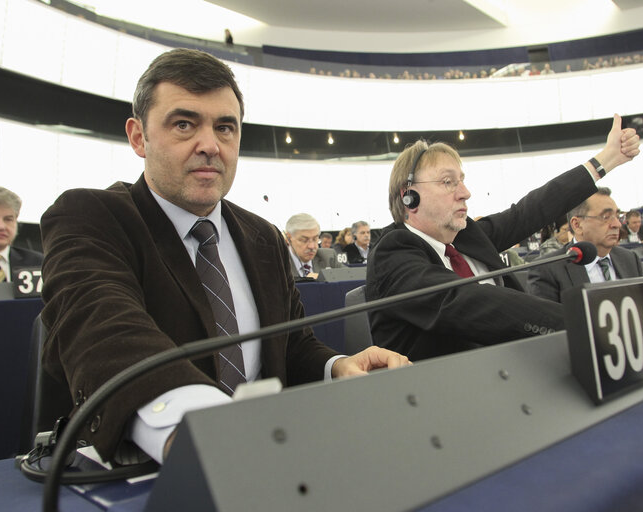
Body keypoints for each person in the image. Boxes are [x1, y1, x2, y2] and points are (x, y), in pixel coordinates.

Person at [39, 48, 409, 465]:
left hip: (274, 458)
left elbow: (289, 347)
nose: (210, 146)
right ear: (138, 137)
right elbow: (105, 328)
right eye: (184, 124)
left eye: (225, 128)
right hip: (151, 468)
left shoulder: (263, 237)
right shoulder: (90, 217)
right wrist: (200, 433)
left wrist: (337, 367)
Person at [366, 115, 643, 362]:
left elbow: (534, 209)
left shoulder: (468, 238)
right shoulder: (393, 252)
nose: (465, 192)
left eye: (462, 180)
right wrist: (596, 323)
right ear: (408, 195)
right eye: (448, 181)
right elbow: (467, 301)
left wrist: (607, 160)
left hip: (525, 371)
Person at [527, 188, 643, 302]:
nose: (617, 224)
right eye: (606, 217)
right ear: (577, 225)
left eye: (617, 217)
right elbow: (551, 320)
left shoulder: (630, 259)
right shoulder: (547, 270)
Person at [285, 213, 341, 279]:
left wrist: (323, 278)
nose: (311, 246)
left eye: (315, 239)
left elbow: (352, 277)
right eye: (304, 240)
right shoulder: (278, 263)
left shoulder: (328, 256)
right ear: (288, 238)